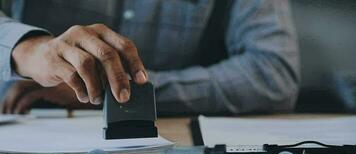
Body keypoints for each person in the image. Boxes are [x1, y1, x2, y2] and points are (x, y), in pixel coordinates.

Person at [0, 0, 300, 115]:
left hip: (168, 148)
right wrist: (28, 49)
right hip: (21, 125)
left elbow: (273, 73)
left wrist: (129, 92)